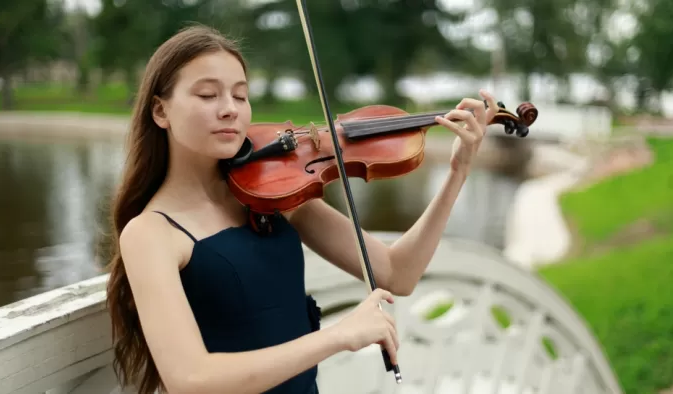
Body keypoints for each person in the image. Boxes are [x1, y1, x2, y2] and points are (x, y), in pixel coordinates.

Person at [105, 24, 499, 394]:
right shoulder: (151, 234)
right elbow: (191, 379)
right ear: (160, 112)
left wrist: (457, 173)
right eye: (208, 95)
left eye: (240, 96)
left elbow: (397, 274)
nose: (230, 110)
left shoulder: (275, 195)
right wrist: (338, 336)